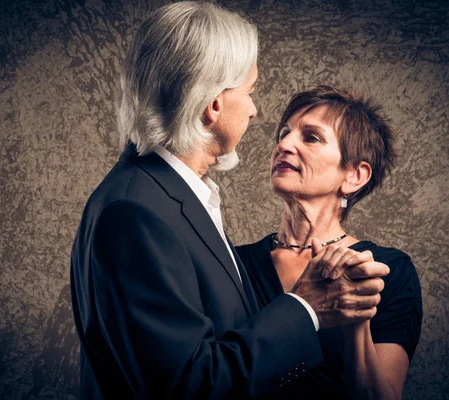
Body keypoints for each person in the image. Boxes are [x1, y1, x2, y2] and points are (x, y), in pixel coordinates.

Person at [70, 2, 389, 398]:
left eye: (310, 136)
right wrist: (306, 308)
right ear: (214, 104)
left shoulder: (168, 200)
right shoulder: (136, 212)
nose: (255, 111)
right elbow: (190, 387)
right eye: (251, 91)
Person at [236, 85, 423, 399]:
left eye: (311, 137)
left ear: (354, 176)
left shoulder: (387, 271)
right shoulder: (232, 261)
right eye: (284, 133)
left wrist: (356, 320)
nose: (284, 144)